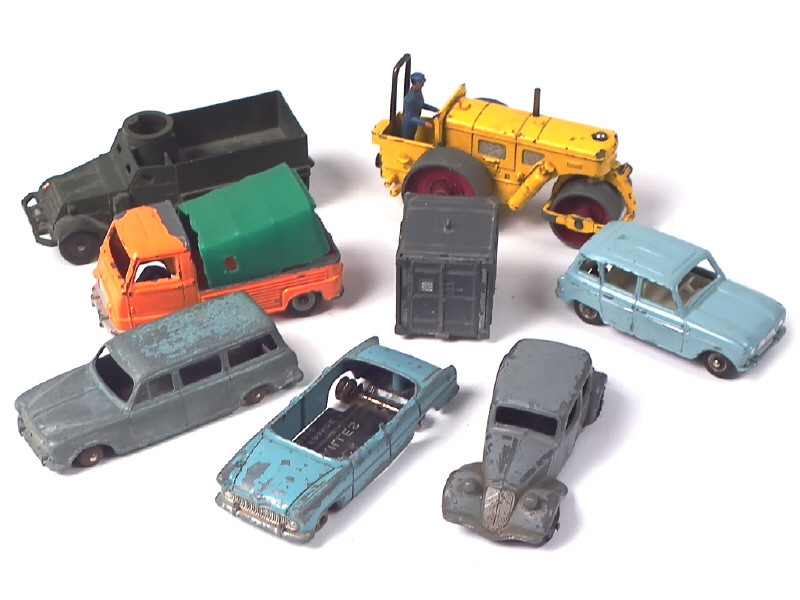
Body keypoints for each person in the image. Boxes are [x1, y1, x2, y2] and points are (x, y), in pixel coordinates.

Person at [401, 72, 438, 140]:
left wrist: (435, 109)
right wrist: (424, 123)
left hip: (415, 122)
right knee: (408, 140)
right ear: (416, 83)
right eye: (421, 83)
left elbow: (421, 104)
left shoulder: (418, 92)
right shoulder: (409, 99)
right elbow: (410, 118)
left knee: (413, 137)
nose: (423, 85)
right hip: (408, 126)